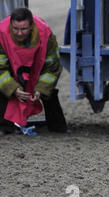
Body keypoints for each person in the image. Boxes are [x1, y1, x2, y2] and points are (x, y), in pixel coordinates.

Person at [0, 7, 67, 135]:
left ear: (31, 26)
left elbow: (53, 67)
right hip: (12, 74)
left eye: (23, 29)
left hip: (36, 73)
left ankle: (58, 127)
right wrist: (13, 89)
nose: (19, 33)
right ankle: (4, 126)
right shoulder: (1, 33)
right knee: (2, 89)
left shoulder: (45, 33)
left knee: (50, 92)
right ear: (10, 25)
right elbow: (0, 69)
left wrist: (40, 89)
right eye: (15, 29)